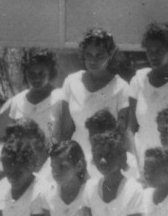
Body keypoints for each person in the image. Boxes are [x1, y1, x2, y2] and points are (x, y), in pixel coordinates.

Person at [56, 28, 131, 163]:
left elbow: (120, 133)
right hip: (75, 155)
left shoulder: (122, 87)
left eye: (99, 55)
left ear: (110, 54)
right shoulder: (71, 82)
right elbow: (66, 130)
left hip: (106, 157)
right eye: (89, 54)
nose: (93, 60)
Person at [127, 22, 168, 159]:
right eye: (149, 51)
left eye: (159, 51)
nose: (153, 56)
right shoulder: (139, 80)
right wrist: (134, 160)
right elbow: (130, 128)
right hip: (143, 157)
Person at [0, 49, 58, 141]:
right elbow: (2, 135)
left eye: (41, 73)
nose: (36, 79)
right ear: (25, 73)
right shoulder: (15, 102)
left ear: (50, 72)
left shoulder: (62, 99)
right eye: (31, 74)